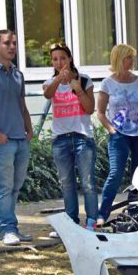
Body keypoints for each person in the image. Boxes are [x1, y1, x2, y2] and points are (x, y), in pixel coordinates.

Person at [97, 44, 138, 224]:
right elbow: (99, 112)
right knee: (115, 173)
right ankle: (102, 214)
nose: (132, 61)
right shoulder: (107, 83)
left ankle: (134, 213)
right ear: (119, 59)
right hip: (119, 134)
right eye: (128, 57)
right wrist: (112, 131)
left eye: (132, 57)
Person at [43, 44, 98, 235]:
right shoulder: (51, 82)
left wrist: (79, 90)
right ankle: (71, 221)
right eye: (55, 59)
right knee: (66, 183)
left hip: (82, 137)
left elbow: (90, 109)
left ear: (70, 59)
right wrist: (59, 79)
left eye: (63, 58)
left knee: (88, 182)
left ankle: (91, 222)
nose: (59, 62)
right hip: (60, 139)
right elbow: (47, 94)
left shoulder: (84, 80)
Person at [0, 29, 33, 246]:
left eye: (14, 43)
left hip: (21, 140)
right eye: (7, 43)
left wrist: (29, 131)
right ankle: (7, 229)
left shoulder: (18, 75)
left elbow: (22, 106)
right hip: (3, 141)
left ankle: (10, 226)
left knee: (15, 187)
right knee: (4, 186)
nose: (12, 47)